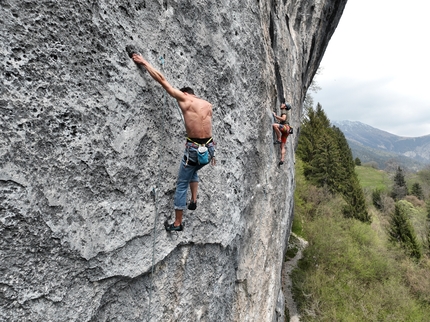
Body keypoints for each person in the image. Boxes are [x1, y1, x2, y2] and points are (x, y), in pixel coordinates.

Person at [131, 53, 216, 232]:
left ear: (185, 94)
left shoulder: (184, 98)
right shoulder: (207, 104)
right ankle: (193, 200)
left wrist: (144, 62)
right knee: (193, 169)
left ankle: (177, 224)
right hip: (209, 149)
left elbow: (163, 81)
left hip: (193, 150)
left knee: (181, 184)